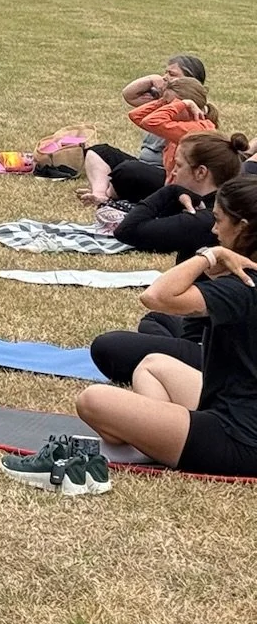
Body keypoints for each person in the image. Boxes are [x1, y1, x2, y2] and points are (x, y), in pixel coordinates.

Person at [74, 176, 257, 476]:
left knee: (92, 400)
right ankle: (157, 434)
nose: (213, 230)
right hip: (235, 407)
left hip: (239, 439)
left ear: (243, 227)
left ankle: (157, 437)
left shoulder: (244, 287)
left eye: (219, 221)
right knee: (152, 364)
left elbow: (156, 296)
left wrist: (211, 254)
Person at [82, 76, 221, 206]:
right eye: (166, 104)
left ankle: (108, 196)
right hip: (168, 181)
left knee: (127, 170)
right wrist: (164, 99)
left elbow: (150, 121)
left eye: (170, 105)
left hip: (181, 188)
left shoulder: (194, 128)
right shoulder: (181, 122)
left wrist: (182, 103)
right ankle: (100, 193)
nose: (166, 108)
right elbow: (135, 116)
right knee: (102, 152)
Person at [106, 131, 247, 257]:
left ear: (201, 172)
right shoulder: (224, 205)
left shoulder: (204, 220)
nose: (173, 172)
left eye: (179, 165)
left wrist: (171, 190)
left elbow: (126, 231)